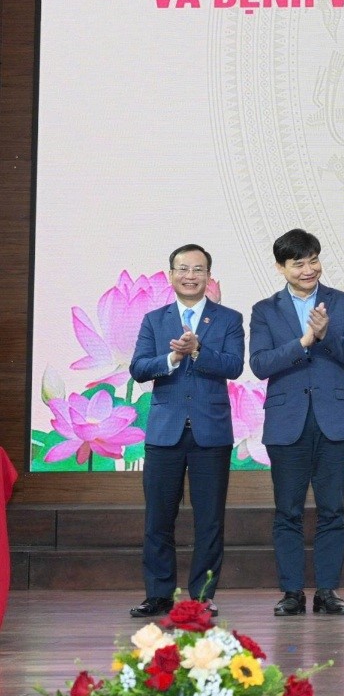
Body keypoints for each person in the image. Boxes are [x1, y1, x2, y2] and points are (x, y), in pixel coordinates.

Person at [248, 229, 344, 617]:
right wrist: (303, 342)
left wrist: (325, 334)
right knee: (288, 510)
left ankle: (328, 591)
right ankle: (291, 592)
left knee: (332, 509)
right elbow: (260, 364)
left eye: (313, 260)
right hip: (287, 422)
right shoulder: (265, 310)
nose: (308, 269)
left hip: (335, 419)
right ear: (280, 268)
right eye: (298, 263)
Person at [127, 244, 246, 618]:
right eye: (183, 268)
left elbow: (234, 366)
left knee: (209, 520)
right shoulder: (154, 320)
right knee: (158, 518)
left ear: (208, 276)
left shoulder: (228, 319)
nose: (190, 275)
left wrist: (197, 351)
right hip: (165, 433)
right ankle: (159, 594)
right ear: (170, 275)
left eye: (198, 269)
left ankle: (202, 596)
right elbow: (138, 368)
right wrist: (172, 357)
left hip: (211, 433)